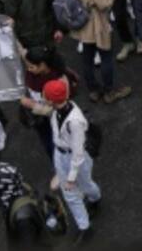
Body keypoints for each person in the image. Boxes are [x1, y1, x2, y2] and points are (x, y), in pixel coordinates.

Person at [66, 0, 131, 105]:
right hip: (95, 23)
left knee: (87, 59)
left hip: (80, 23)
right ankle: (110, 91)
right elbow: (103, 4)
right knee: (106, 56)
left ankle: (93, 90)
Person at [42, 77, 101, 240]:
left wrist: (71, 176)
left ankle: (95, 198)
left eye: (45, 96)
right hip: (60, 154)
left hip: (75, 159)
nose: (42, 97)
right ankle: (85, 227)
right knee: (70, 195)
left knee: (85, 185)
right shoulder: (59, 108)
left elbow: (78, 153)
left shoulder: (74, 122)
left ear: (52, 100)